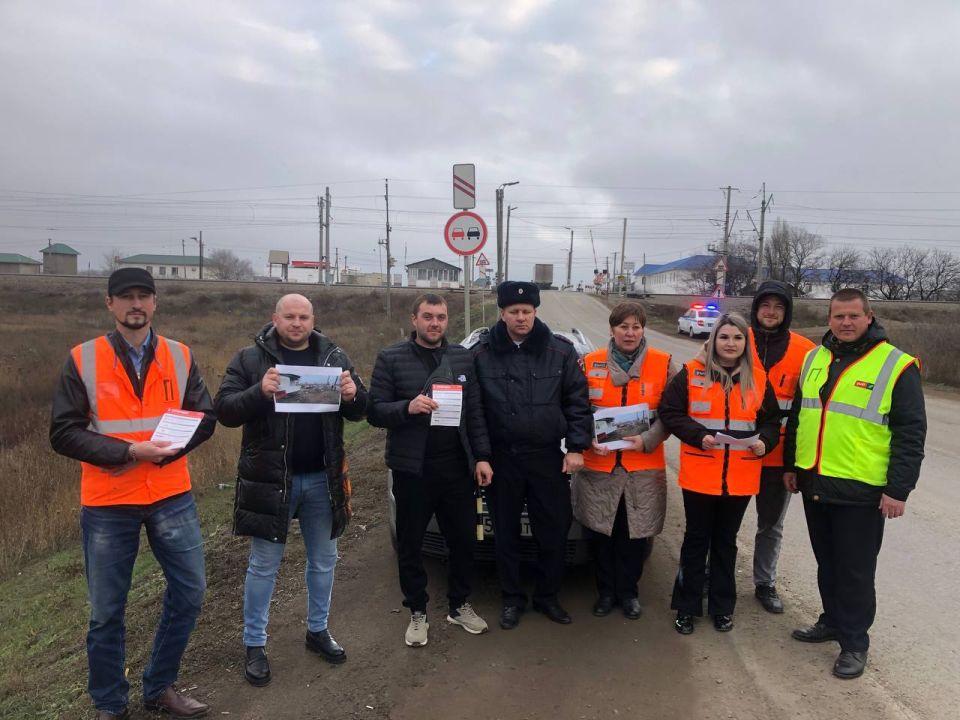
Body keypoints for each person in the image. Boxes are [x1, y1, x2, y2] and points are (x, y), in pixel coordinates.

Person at [50, 268, 216, 720]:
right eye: (126, 297)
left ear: (156, 302)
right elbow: (63, 433)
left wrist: (171, 450)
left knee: (191, 592)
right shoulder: (82, 359)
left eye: (144, 296)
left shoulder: (180, 355)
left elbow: (205, 415)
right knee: (106, 611)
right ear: (110, 304)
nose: (136, 304)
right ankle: (110, 705)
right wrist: (128, 450)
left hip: (170, 493)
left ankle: (159, 686)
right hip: (108, 501)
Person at [214, 294, 367, 687]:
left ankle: (318, 631)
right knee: (263, 565)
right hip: (271, 480)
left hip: (322, 478)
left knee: (324, 560)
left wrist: (352, 395)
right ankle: (254, 644)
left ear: (313, 320)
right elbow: (226, 411)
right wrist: (259, 392)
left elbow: (360, 409)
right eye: (289, 317)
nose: (297, 323)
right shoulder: (250, 359)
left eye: (303, 317)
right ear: (275, 318)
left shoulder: (334, 356)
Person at [784, 288, 925, 680]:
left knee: (856, 570)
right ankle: (831, 621)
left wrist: (898, 490)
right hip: (815, 480)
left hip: (862, 489)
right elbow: (800, 415)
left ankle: (855, 643)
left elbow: (911, 433)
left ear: (869, 317)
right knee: (827, 562)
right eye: (838, 316)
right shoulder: (815, 358)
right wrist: (793, 465)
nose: (845, 323)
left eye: (853, 316)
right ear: (829, 318)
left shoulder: (896, 365)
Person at [367, 293, 494, 647]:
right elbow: (374, 411)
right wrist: (407, 407)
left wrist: (481, 457)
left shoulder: (462, 357)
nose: (434, 323)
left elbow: (475, 414)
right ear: (414, 319)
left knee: (464, 542)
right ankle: (418, 612)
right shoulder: (391, 358)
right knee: (410, 544)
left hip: (456, 468)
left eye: (440, 317)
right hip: (413, 469)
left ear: (447, 320)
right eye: (427, 316)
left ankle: (459, 605)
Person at [472, 281, 592, 629]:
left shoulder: (560, 351)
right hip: (502, 459)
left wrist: (576, 447)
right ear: (502, 313)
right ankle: (511, 599)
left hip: (546, 457)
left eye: (526, 312)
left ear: (536, 312)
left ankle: (547, 597)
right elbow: (476, 410)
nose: (520, 318)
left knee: (552, 531)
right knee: (505, 532)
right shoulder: (482, 353)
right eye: (513, 312)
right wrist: (482, 455)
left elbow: (577, 402)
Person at [659, 312, 780, 635]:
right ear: (714, 341)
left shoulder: (758, 378)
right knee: (696, 542)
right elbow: (669, 411)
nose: (730, 343)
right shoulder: (692, 373)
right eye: (724, 337)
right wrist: (698, 435)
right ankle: (686, 607)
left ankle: (722, 608)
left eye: (737, 338)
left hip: (740, 478)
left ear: (745, 343)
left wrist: (765, 442)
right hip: (700, 474)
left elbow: (771, 421)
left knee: (726, 544)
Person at [572, 302, 675, 620]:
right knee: (601, 533)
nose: (630, 333)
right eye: (623, 326)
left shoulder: (663, 363)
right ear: (612, 329)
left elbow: (672, 415)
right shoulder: (589, 363)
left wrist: (647, 440)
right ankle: (605, 592)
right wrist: (587, 436)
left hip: (642, 466)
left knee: (635, 534)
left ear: (643, 330)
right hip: (599, 464)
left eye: (636, 327)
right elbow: (575, 409)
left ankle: (629, 593)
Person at [747, 281, 815, 614]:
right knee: (721, 522)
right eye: (765, 305)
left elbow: (808, 410)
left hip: (778, 456)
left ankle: (765, 582)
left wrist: (795, 464)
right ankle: (708, 575)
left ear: (786, 312)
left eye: (778, 306)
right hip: (735, 453)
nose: (771, 312)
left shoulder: (805, 351)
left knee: (771, 525)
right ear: (755, 309)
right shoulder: (734, 338)